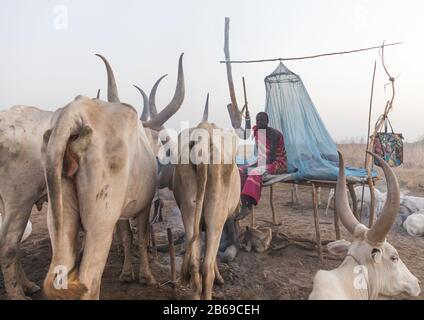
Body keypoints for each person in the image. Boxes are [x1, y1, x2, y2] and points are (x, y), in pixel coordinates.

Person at [236, 112, 287, 220]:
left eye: (261, 120)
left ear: (267, 121)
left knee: (255, 172)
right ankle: (244, 204)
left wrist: (255, 166)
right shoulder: (259, 133)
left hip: (277, 163)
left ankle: (249, 204)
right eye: (257, 120)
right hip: (263, 161)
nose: (259, 123)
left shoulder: (274, 134)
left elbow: (272, 157)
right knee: (240, 170)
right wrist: (253, 164)